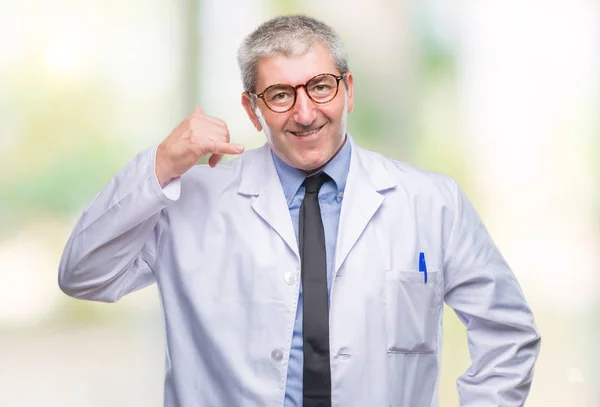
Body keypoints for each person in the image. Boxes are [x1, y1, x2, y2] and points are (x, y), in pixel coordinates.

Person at [58, 14, 541, 407]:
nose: (305, 113)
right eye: (281, 95)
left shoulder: (432, 202)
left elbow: (508, 335)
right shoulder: (190, 200)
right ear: (253, 110)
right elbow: (83, 274)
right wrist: (161, 164)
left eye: (321, 87)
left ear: (348, 89)